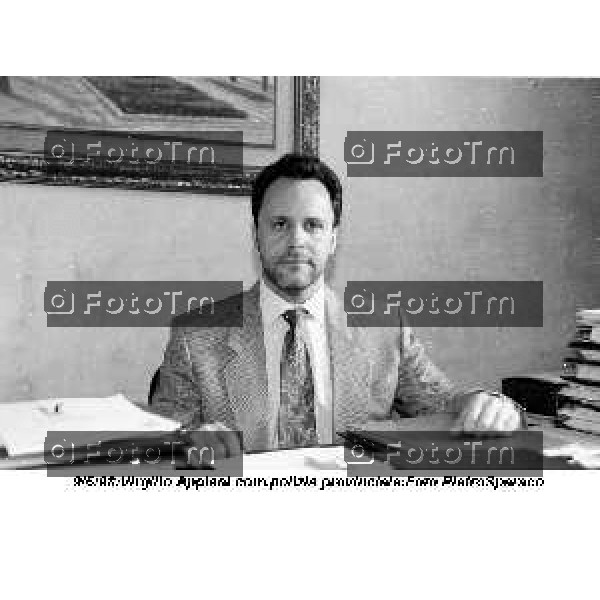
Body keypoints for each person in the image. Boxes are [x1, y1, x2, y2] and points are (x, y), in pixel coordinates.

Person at [150, 153, 524, 454]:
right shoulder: (195, 335)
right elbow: (162, 437)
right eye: (279, 224)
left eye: (313, 225)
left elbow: (444, 404)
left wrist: (490, 404)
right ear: (256, 235)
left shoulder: (385, 331)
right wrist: (186, 440)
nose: (296, 241)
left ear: (333, 239)